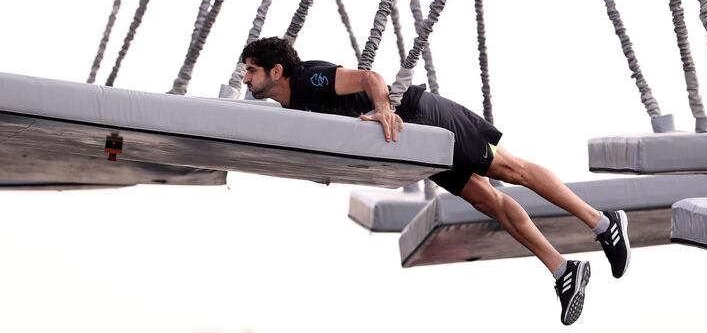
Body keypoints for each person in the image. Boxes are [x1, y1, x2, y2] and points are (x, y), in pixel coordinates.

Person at [241, 37, 630, 326]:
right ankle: (564, 271)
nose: (246, 77)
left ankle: (602, 222)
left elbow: (368, 77)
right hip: (413, 144)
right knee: (487, 201)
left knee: (510, 170)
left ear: (276, 71)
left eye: (251, 69)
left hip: (421, 116)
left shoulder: (309, 80)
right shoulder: (291, 105)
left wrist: (382, 110)